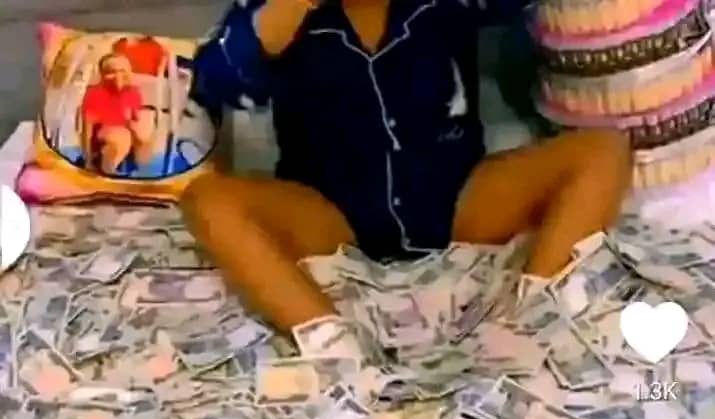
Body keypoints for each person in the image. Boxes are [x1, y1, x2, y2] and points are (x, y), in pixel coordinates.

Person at [182, 0, 632, 341]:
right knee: (207, 202)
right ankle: (330, 341)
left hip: (457, 201)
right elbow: (212, 82)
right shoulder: (276, 12)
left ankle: (534, 312)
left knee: (603, 149)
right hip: (331, 216)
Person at [80, 53, 156, 174]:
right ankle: (107, 170)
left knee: (144, 130)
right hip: (104, 141)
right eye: (111, 72)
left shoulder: (133, 92)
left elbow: (135, 120)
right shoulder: (95, 94)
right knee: (120, 135)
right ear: (102, 75)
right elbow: (87, 131)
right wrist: (87, 160)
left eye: (122, 71)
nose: (118, 76)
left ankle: (141, 170)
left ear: (130, 72)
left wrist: (140, 134)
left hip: (126, 138)